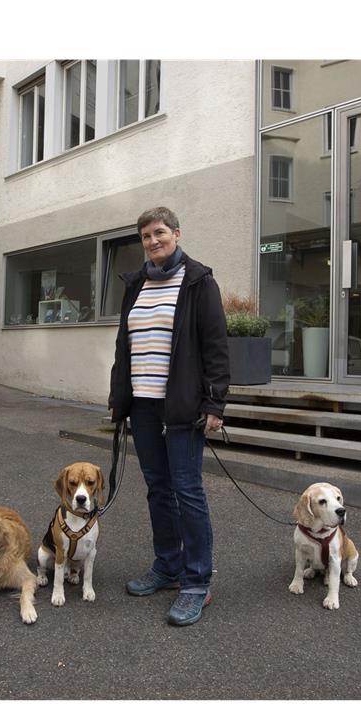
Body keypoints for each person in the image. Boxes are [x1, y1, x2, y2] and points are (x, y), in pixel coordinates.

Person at [108, 207, 230, 626]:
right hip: (142, 405)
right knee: (158, 489)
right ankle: (168, 566)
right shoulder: (136, 283)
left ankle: (196, 581)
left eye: (159, 232)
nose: (153, 240)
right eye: (145, 236)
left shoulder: (198, 281)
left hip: (182, 405)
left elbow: (215, 346)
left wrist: (215, 403)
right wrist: (118, 397)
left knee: (187, 490)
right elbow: (125, 344)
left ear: (176, 234)